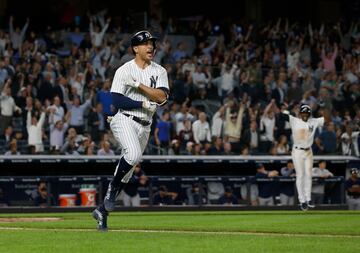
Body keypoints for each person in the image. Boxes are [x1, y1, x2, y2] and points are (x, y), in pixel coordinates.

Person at [92, 30, 169, 231]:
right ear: (136, 48)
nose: (151, 47)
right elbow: (116, 100)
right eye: (146, 44)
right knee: (133, 154)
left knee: (127, 172)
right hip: (123, 119)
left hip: (145, 126)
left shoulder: (159, 71)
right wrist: (143, 103)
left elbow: (161, 97)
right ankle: (111, 193)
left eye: (152, 43)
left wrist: (138, 85)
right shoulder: (124, 70)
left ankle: (102, 211)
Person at [282, 103, 324, 211]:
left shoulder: (314, 121)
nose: (305, 114)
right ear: (300, 113)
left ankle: (308, 198)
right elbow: (281, 115)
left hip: (308, 151)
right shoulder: (295, 120)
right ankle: (302, 201)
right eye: (303, 112)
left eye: (307, 113)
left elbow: (325, 119)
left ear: (309, 114)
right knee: (300, 175)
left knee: (308, 175)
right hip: (297, 151)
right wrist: (290, 108)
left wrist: (321, 107)